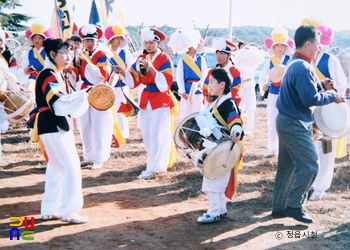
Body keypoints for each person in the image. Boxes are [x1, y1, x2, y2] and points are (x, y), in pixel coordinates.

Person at [271, 25, 346, 224]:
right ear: (307, 44)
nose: (318, 49)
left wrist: (322, 85)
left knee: (286, 167)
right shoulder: (303, 66)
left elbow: (303, 89)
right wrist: (332, 95)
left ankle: (278, 207)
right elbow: (310, 98)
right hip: (294, 123)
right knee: (311, 164)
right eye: (317, 45)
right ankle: (295, 205)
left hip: (287, 120)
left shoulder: (296, 63)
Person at [27, 39, 90, 224]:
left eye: (71, 52)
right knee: (70, 167)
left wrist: (81, 96)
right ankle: (69, 211)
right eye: (64, 52)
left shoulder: (56, 74)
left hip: (51, 124)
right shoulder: (49, 74)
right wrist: (84, 94)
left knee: (56, 168)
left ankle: (50, 209)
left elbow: (64, 102)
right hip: (53, 123)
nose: (69, 56)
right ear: (53, 55)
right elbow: (59, 102)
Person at [115, 27, 174, 180]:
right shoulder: (141, 57)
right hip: (146, 98)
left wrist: (151, 69)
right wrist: (123, 72)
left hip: (160, 100)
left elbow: (166, 83)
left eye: (151, 43)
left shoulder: (165, 59)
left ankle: (155, 167)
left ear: (157, 43)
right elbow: (134, 79)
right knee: (147, 134)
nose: (148, 46)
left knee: (157, 133)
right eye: (146, 42)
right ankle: (153, 162)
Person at [197, 68, 243, 224]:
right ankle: (221, 209)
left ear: (222, 84)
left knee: (215, 179)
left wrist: (236, 131)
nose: (208, 85)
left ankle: (214, 212)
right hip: (215, 148)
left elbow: (235, 120)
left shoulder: (229, 103)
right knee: (214, 177)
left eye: (211, 82)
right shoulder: (216, 102)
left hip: (224, 149)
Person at [309, 24, 348, 201]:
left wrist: (328, 96)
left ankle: (320, 186)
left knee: (325, 149)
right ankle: (308, 182)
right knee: (310, 148)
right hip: (309, 111)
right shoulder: (305, 61)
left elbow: (341, 85)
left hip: (327, 110)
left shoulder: (330, 59)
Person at [76, 24, 113, 170]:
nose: (90, 43)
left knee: (99, 125)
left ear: (97, 42)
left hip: (99, 91)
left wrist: (87, 62)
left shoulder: (102, 55)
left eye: (92, 40)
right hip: (84, 91)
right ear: (83, 42)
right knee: (84, 125)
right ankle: (88, 155)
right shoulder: (81, 55)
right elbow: (76, 74)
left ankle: (100, 157)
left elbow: (102, 74)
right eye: (87, 41)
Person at [259, 27, 294, 158]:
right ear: (273, 47)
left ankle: (285, 149)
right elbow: (263, 76)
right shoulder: (270, 61)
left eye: (282, 45)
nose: (279, 48)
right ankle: (272, 148)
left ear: (286, 47)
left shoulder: (290, 60)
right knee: (272, 120)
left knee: (286, 121)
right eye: (277, 45)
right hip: (273, 92)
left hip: (286, 94)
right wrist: (263, 85)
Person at [168, 28, 207, 121]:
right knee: (186, 114)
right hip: (186, 90)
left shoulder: (201, 60)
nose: (192, 49)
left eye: (193, 46)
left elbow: (204, 75)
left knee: (198, 113)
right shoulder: (182, 61)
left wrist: (198, 86)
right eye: (190, 47)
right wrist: (183, 91)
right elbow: (180, 77)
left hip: (198, 90)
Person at [104, 23, 135, 139]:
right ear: (111, 39)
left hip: (122, 85)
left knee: (121, 110)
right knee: (109, 110)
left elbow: (130, 69)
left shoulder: (125, 53)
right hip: (109, 85)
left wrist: (122, 75)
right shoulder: (106, 53)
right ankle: (112, 134)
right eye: (116, 38)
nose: (118, 40)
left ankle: (122, 134)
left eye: (120, 38)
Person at [235, 45, 265, 135]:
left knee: (249, 108)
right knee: (239, 106)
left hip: (249, 85)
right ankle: (239, 126)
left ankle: (249, 128)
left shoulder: (252, 62)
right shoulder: (238, 62)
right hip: (240, 86)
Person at [202, 38, 242, 106]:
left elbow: (236, 90)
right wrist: (207, 96)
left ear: (229, 55)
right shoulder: (212, 71)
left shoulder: (235, 71)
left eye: (221, 53)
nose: (218, 56)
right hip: (212, 105)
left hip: (228, 106)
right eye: (217, 53)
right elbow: (205, 86)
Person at [18, 23, 51, 93]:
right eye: (35, 38)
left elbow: (49, 67)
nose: (37, 40)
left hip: (44, 79)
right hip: (31, 79)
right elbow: (24, 67)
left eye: (39, 38)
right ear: (32, 39)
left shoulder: (47, 52)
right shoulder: (28, 53)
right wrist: (27, 70)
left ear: (43, 40)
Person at [0, 28, 18, 133]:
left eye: (1, 40)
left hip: (4, 82)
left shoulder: (8, 54)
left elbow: (13, 71)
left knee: (2, 106)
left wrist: (12, 83)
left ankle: (2, 125)